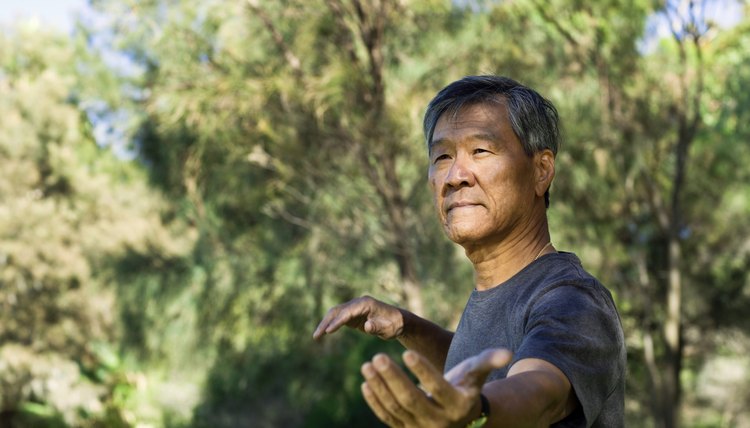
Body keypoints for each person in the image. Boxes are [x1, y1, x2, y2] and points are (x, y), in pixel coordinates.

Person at [313, 75, 626, 427]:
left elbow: (539, 391)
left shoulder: (574, 301)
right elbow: (486, 366)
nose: (455, 176)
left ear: (541, 171)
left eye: (480, 150)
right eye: (443, 156)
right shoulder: (499, 290)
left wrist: (477, 411)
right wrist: (407, 326)